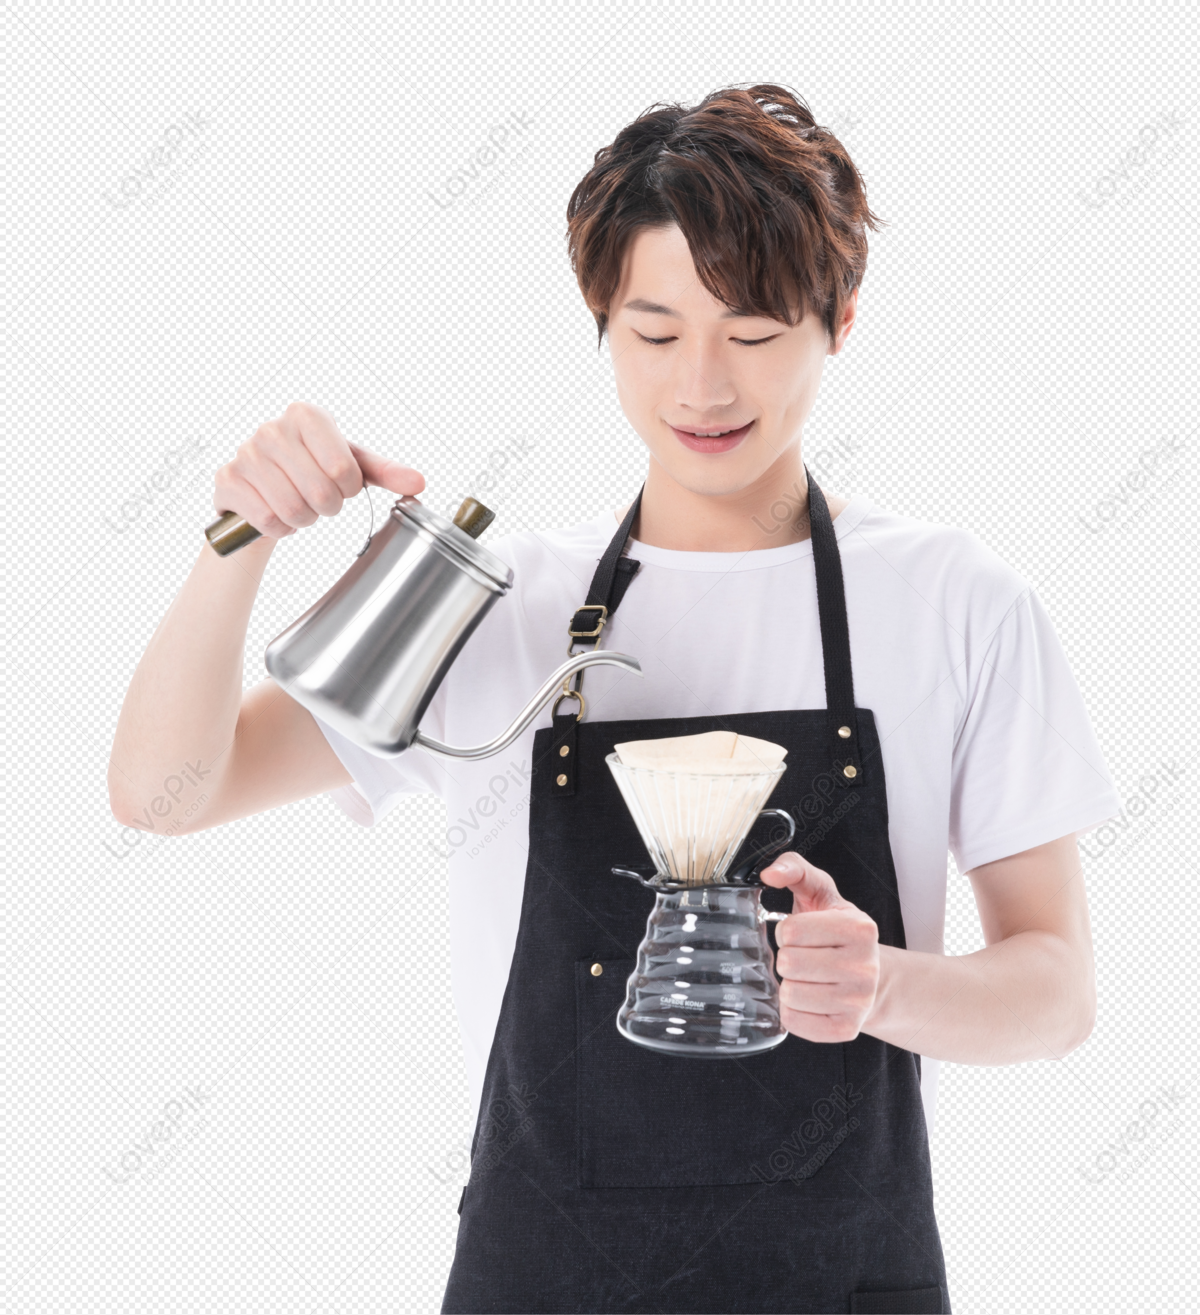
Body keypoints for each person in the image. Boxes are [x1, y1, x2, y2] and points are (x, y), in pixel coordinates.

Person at [108, 84, 1120, 1314]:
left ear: (840, 319)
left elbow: (1057, 988)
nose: (701, 384)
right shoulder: (497, 603)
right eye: (652, 332)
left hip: (849, 1278)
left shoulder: (956, 602)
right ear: (599, 321)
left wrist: (885, 986)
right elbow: (167, 792)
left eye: (750, 332)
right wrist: (240, 542)